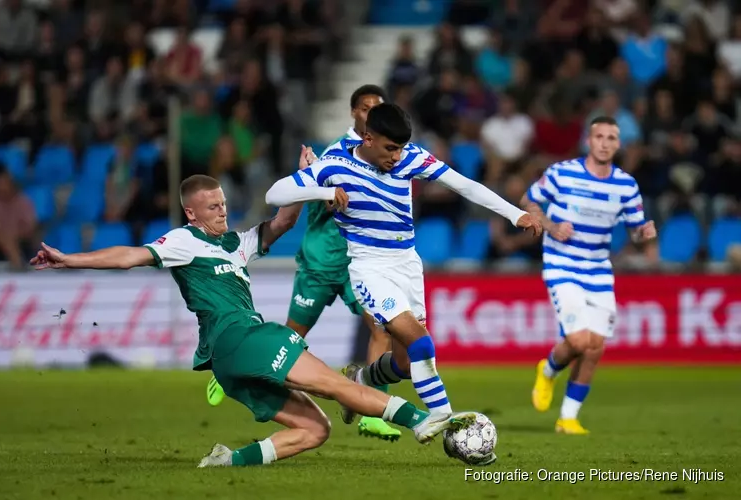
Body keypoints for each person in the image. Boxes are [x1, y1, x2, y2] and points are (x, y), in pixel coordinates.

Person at [29, 168, 474, 468]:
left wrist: (310, 180)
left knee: (314, 430)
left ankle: (227, 461)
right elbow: (130, 256)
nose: (221, 211)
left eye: (223, 204)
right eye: (212, 207)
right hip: (240, 338)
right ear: (191, 213)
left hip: (231, 361)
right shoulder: (183, 241)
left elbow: (281, 221)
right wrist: (70, 259)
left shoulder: (236, 245)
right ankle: (424, 420)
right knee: (338, 385)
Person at [265, 103, 542, 438]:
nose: (396, 157)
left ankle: (360, 380)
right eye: (389, 148)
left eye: (400, 148)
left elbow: (464, 185)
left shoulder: (411, 157)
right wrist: (324, 191)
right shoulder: (335, 165)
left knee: (404, 364)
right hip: (370, 268)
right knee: (422, 344)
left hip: (408, 264)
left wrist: (516, 215)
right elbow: (275, 192)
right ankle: (443, 422)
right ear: (367, 138)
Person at [205, 85, 404, 441]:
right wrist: (326, 192)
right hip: (319, 262)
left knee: (382, 328)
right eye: (364, 108)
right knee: (292, 338)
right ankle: (230, 370)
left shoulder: (385, 156)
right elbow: (322, 199)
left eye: (378, 108)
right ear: (353, 113)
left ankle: (372, 411)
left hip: (357, 264)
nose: (370, 113)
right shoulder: (336, 153)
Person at [523, 116, 657, 434]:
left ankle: (568, 418)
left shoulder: (625, 184)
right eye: (600, 136)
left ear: (618, 144)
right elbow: (528, 201)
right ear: (589, 140)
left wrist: (643, 233)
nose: (605, 142)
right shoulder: (562, 173)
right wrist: (552, 226)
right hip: (562, 263)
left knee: (595, 346)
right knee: (579, 339)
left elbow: (636, 231)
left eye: (612, 137)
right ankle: (550, 369)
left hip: (598, 269)